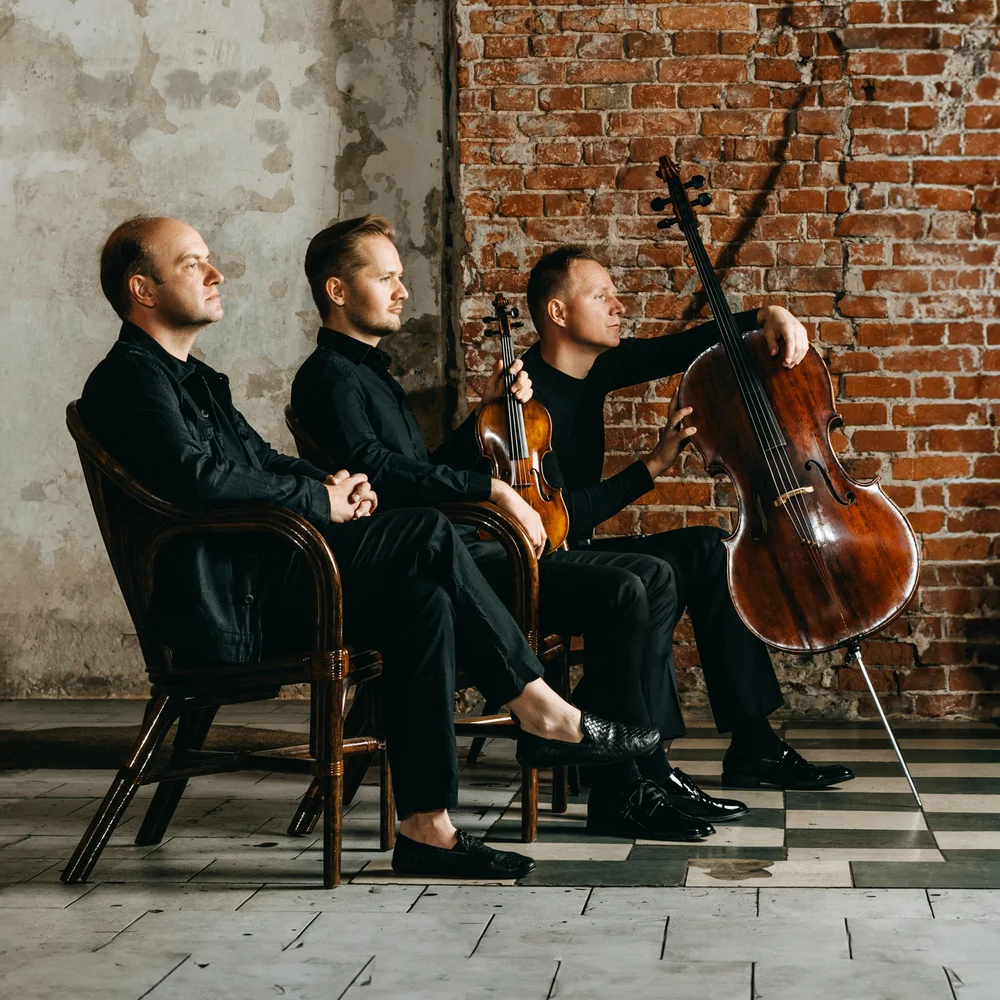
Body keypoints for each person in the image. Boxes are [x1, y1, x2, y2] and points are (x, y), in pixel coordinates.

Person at [78, 216, 659, 881]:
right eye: (192, 264)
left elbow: (262, 461)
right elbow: (197, 479)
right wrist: (317, 501)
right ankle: (540, 709)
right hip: (231, 601)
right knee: (426, 532)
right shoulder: (128, 379)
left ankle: (426, 831)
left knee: (422, 600)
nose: (216, 274)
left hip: (265, 578)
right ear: (143, 290)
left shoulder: (196, 379)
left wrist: (331, 484)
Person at [291, 214, 749, 842]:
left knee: (652, 577)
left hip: (454, 552)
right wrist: (494, 488)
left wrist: (485, 414)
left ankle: (640, 774)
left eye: (400, 277)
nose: (402, 291)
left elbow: (420, 469)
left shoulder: (370, 374)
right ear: (338, 291)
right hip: (434, 569)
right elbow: (380, 473)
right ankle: (616, 782)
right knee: (627, 587)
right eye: (386, 278)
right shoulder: (329, 376)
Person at [519, 245, 856, 791]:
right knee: (653, 577)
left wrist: (766, 315)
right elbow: (562, 516)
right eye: (601, 296)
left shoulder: (594, 369)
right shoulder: (525, 399)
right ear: (558, 313)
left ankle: (753, 745)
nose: (619, 306)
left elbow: (682, 347)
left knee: (710, 551)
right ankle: (640, 756)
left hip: (578, 554)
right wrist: (654, 465)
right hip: (546, 566)